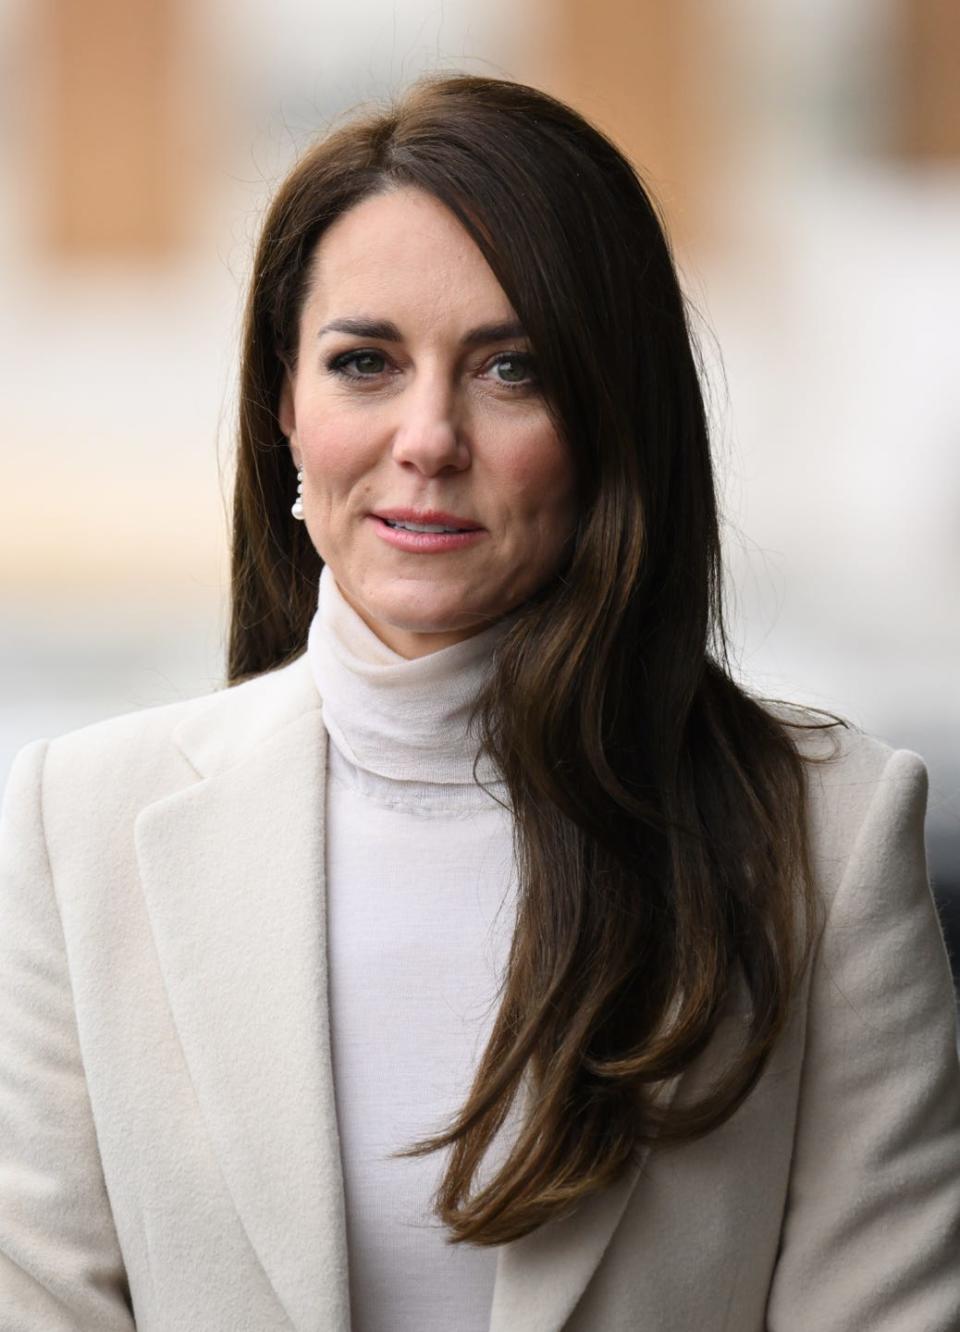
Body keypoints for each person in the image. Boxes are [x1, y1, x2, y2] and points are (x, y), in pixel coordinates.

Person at [1, 74, 958, 1332]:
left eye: (511, 368)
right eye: (364, 363)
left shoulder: (824, 837)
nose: (428, 436)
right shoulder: (82, 823)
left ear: (615, 421)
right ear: (284, 409)